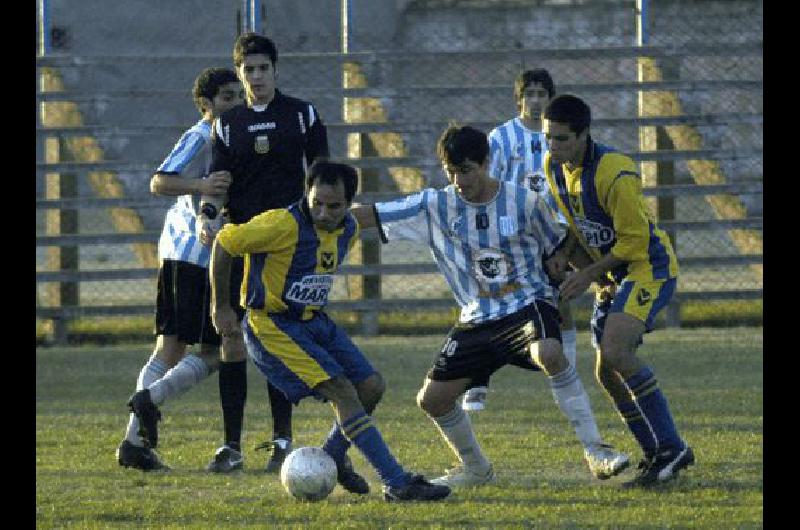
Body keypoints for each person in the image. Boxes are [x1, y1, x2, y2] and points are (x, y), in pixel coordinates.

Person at [351, 124, 629, 487]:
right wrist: (312, 220)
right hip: (477, 317)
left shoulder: (525, 202)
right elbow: (370, 215)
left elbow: (562, 248)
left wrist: (599, 280)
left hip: (528, 302)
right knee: (431, 400)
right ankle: (476, 469)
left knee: (548, 351)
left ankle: (596, 450)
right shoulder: (434, 205)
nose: (459, 180)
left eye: (466, 170)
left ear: (486, 162)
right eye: (451, 171)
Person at [209, 160, 451, 502]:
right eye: (316, 203)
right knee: (342, 391)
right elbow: (224, 243)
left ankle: (333, 457)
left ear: (348, 203)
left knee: (370, 387)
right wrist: (220, 308)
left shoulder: (348, 228)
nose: (323, 213)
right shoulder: (280, 224)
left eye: (334, 206)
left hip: (314, 321)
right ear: (306, 194)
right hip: (273, 324)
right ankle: (397, 482)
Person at [541, 94, 694, 487]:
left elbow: (633, 244)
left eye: (561, 139)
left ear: (583, 135)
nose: (552, 148)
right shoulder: (553, 168)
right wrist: (564, 256)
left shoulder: (616, 172)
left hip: (648, 268)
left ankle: (673, 447)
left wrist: (588, 274)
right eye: (548, 138)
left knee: (615, 351)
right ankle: (655, 453)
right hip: (614, 277)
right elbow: (579, 229)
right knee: (605, 373)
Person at [201, 32, 331, 473]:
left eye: (262, 68)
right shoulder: (227, 123)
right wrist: (207, 214)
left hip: (284, 245)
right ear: (239, 73)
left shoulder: (301, 115)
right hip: (240, 240)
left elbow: (322, 177)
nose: (255, 77)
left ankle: (281, 439)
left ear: (275, 70)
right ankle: (231, 444)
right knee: (232, 337)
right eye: (248, 70)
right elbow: (216, 182)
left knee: (277, 339)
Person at [116, 67, 243, 471]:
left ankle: (135, 440)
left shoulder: (233, 135)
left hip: (191, 254)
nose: (235, 103)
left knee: (172, 349)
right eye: (226, 97)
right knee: (215, 351)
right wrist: (202, 186)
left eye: (239, 95)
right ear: (206, 105)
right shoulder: (202, 135)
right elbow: (160, 181)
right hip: (193, 255)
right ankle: (147, 407)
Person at [461, 68, 580, 413]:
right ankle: (476, 382)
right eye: (530, 94)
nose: (536, 100)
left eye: (543, 94)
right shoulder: (501, 137)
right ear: (519, 99)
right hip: (509, 231)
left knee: (560, 294)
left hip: (549, 226)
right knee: (489, 299)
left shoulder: (555, 136)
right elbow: (488, 180)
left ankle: (566, 366)